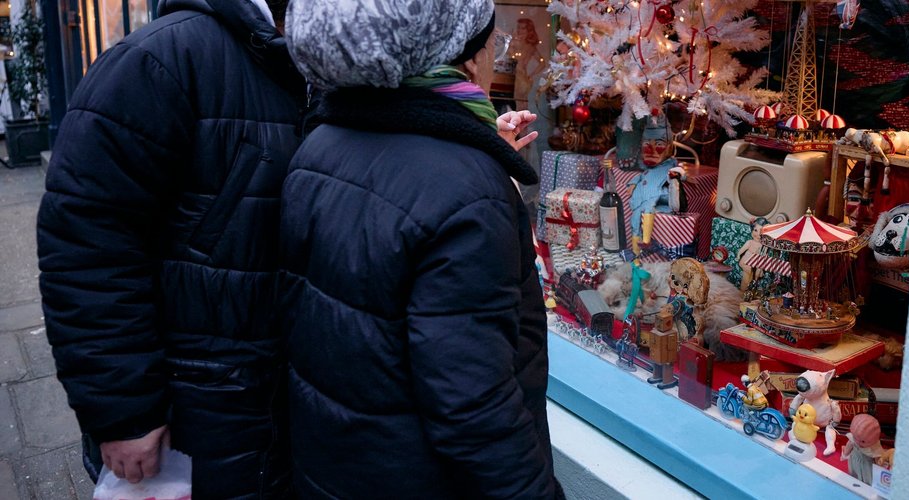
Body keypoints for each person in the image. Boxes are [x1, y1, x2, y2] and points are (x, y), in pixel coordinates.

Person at [280, 0, 560, 497]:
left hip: (335, 464)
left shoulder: (320, 142)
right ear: (469, 56)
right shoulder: (466, 189)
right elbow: (473, 405)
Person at [37, 0, 304, 496]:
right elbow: (85, 245)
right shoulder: (159, 59)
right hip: (195, 405)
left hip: (281, 404)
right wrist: (123, 410)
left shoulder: (326, 63)